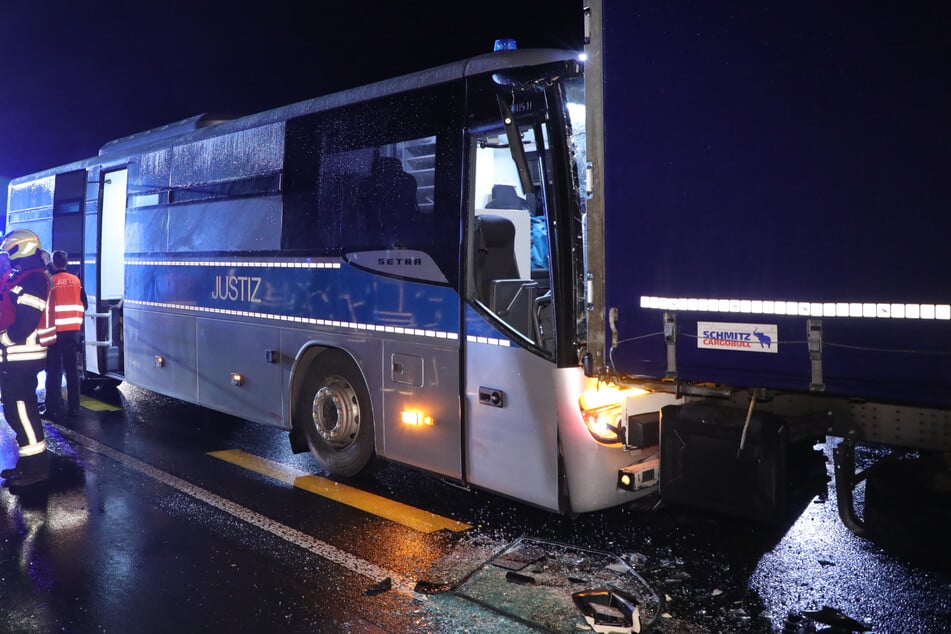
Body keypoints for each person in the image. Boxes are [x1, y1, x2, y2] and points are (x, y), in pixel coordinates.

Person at [0, 230, 53, 488]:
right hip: (16, 357)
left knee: (21, 411)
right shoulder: (24, 275)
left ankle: (36, 468)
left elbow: (25, 323)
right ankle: (27, 463)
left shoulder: (33, 279)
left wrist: (4, 340)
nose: (7, 257)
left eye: (9, 251)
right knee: (16, 411)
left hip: (22, 356)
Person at [44, 250, 87, 419]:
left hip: (55, 332)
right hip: (72, 332)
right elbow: (85, 305)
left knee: (53, 372)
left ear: (54, 262)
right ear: (66, 262)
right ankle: (74, 408)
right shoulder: (76, 280)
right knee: (72, 371)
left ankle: (51, 408)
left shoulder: (51, 281)